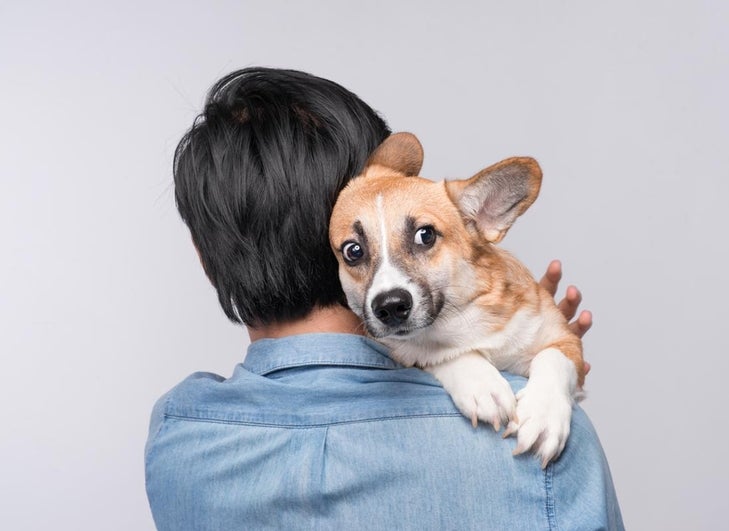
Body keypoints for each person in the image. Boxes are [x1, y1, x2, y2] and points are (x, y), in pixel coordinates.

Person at [145, 67, 624, 530]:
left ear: (206, 259)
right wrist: (540, 374)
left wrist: (508, 344)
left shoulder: (177, 435)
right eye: (357, 251)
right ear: (333, 240)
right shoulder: (545, 433)